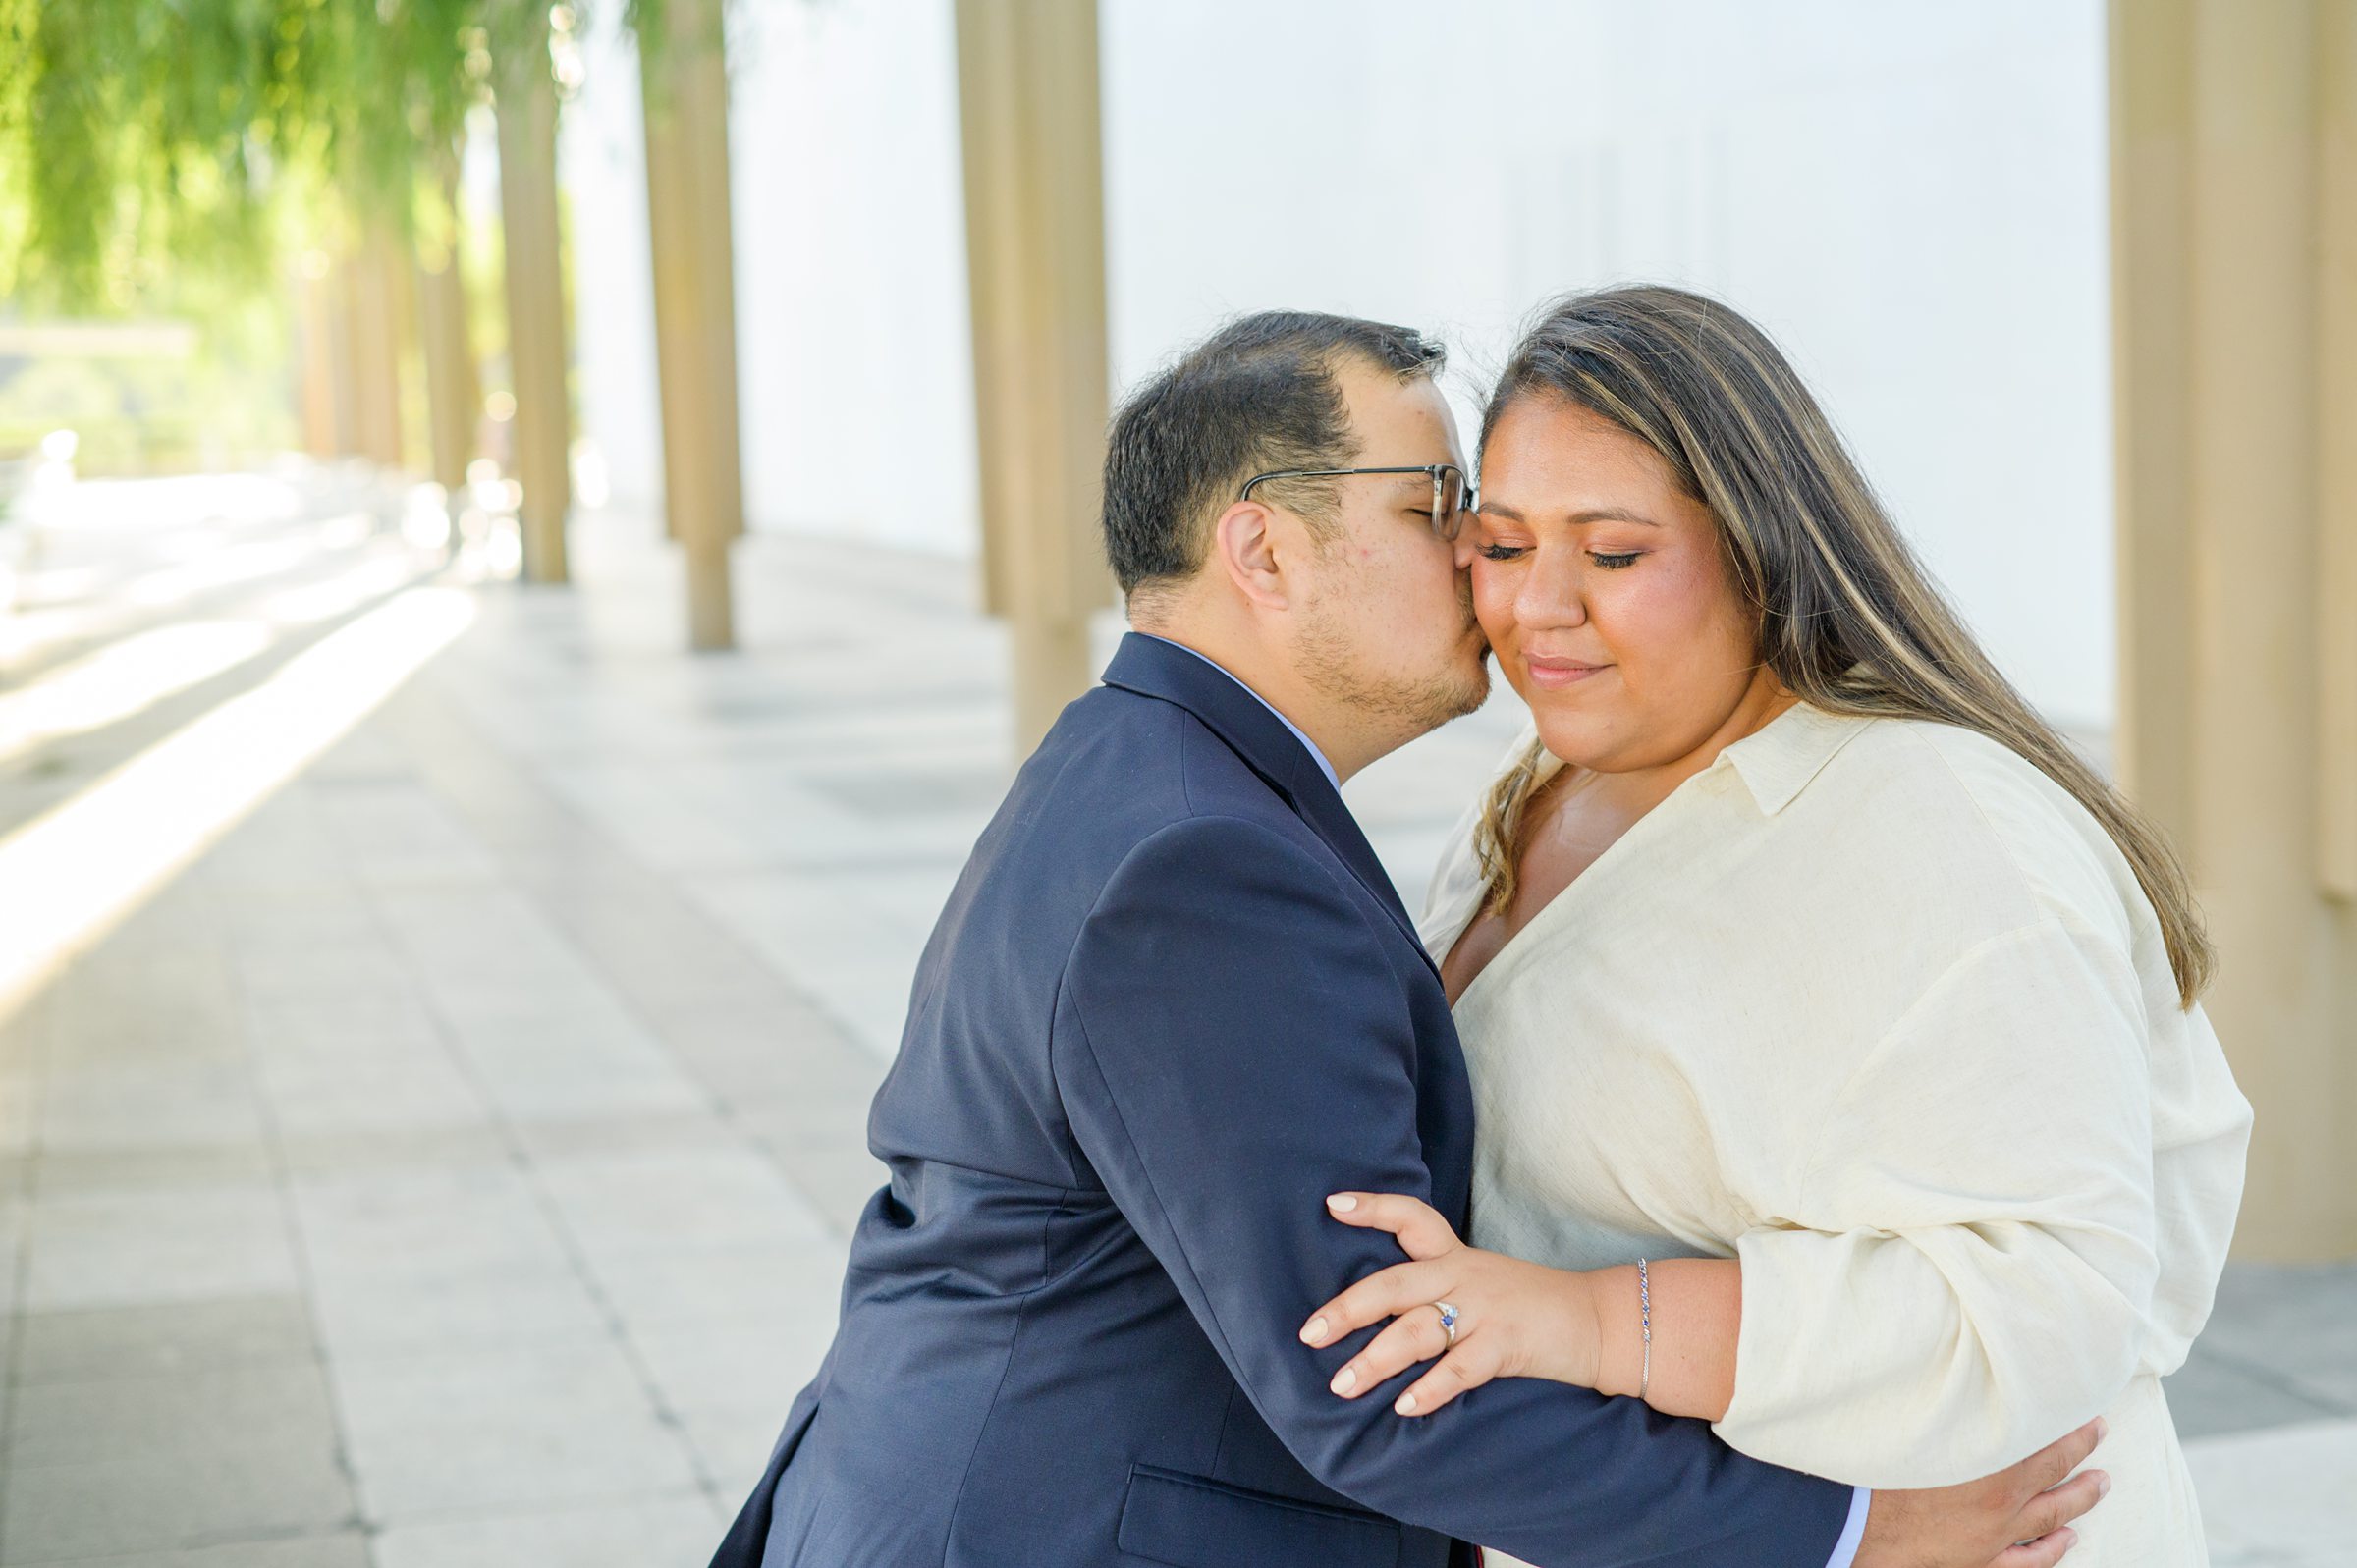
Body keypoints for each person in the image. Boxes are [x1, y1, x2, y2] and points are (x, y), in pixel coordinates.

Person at [710, 310, 2110, 1568]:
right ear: (1262, 546)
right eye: (1448, 506)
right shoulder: (1204, 866)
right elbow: (1375, 1377)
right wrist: (1853, 1535)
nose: (1478, 562)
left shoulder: (1141, 770)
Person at [1296, 287, 2252, 1568]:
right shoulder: (1552, 784)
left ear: (1762, 546)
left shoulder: (1948, 834)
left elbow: (2053, 1303)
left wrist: (1585, 1323)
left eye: (1615, 552)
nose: (1540, 605)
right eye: (1507, 542)